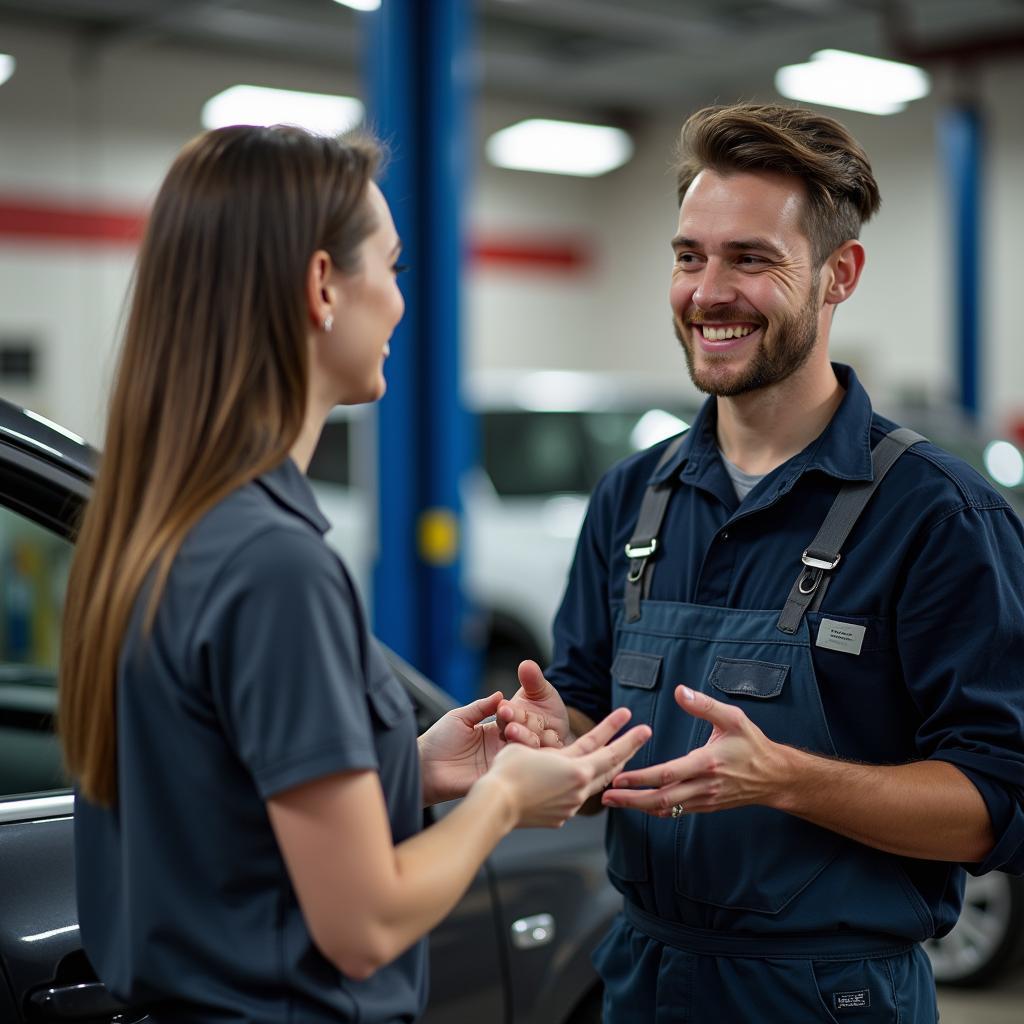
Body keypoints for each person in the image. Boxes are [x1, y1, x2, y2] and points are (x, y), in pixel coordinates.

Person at [57, 124, 651, 1024]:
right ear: (323, 286)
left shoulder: (166, 526)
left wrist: (411, 769)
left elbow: (222, 805)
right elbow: (365, 922)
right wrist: (499, 803)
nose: (404, 307)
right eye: (395, 269)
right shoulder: (276, 565)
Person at [501, 103, 1024, 1022]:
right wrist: (560, 740)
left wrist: (789, 779)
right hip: (639, 981)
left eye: (751, 259)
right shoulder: (632, 498)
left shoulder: (940, 515)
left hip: (831, 996)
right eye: (688, 256)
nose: (708, 291)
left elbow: (997, 800)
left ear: (838, 276)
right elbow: (589, 714)